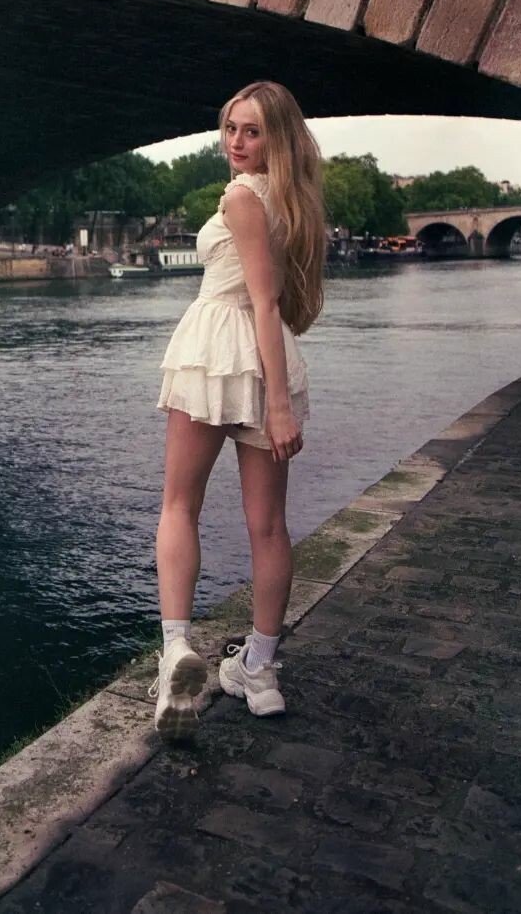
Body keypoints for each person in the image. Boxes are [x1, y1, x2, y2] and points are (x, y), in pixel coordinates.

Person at [148, 81, 326, 743]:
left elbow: (262, 301)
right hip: (264, 355)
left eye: (251, 131)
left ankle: (175, 648)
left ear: (275, 137)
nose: (236, 142)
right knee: (269, 526)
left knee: (178, 505)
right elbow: (280, 304)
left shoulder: (242, 196)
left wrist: (278, 407)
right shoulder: (293, 201)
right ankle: (258, 669)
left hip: (217, 352)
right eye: (230, 128)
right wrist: (277, 398)